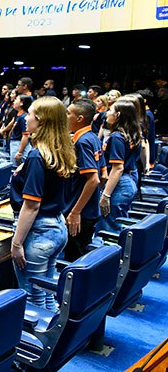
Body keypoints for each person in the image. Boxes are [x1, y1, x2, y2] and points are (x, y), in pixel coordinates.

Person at [10, 96, 76, 311]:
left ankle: (39, 343)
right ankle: (53, 338)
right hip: (57, 227)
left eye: (29, 114)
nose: (26, 118)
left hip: (38, 233)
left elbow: (31, 205)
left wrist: (17, 243)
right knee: (45, 292)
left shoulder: (38, 156)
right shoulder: (60, 150)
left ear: (40, 119)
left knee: (32, 300)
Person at [64, 98, 104, 262]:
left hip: (80, 212)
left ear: (80, 118)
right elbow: (104, 174)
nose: (65, 116)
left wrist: (75, 211)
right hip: (89, 207)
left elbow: (93, 179)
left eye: (68, 113)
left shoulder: (83, 141)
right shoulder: (93, 137)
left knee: (75, 261)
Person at [95, 99, 141, 237]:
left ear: (118, 115)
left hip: (118, 185)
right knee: (117, 224)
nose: (107, 113)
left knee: (107, 229)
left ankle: (108, 257)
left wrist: (106, 195)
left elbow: (118, 168)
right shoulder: (132, 133)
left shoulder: (117, 137)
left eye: (110, 111)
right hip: (129, 181)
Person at [1, 94, 32, 164]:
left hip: (19, 145)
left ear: (22, 103)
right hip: (14, 143)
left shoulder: (24, 117)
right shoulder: (18, 114)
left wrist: (19, 152)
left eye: (16, 100)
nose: (14, 101)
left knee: (16, 167)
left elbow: (25, 135)